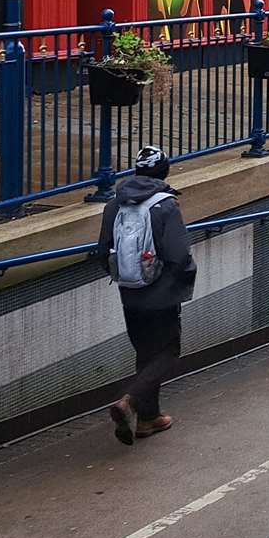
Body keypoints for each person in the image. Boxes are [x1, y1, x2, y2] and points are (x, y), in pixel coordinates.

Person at [94, 145, 196, 445]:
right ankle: (130, 401)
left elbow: (103, 251)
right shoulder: (166, 206)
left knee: (145, 352)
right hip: (161, 293)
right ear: (164, 172)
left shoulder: (115, 204)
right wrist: (183, 279)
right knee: (168, 352)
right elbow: (178, 255)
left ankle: (148, 420)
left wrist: (126, 277)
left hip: (130, 292)